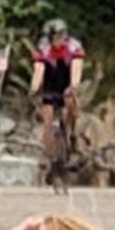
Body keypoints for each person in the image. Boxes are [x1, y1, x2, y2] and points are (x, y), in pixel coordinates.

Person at [29, 20, 85, 183]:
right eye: (55, 38)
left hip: (66, 81)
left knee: (70, 102)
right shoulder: (43, 48)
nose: (59, 41)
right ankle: (50, 156)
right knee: (47, 120)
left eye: (61, 37)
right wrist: (34, 88)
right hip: (50, 84)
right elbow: (38, 70)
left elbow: (76, 69)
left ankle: (72, 133)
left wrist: (73, 86)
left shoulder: (74, 47)